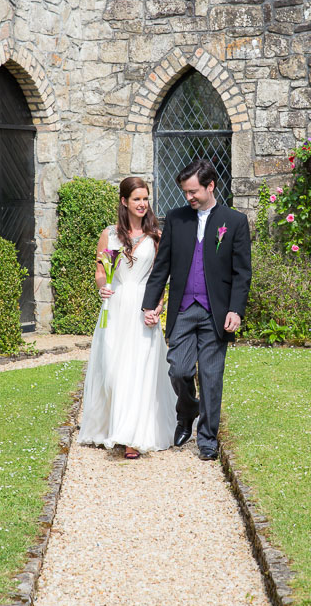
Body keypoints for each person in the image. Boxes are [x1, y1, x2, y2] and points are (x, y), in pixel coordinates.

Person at [142, 158, 252, 461]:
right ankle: (187, 409)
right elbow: (161, 265)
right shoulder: (176, 219)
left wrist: (236, 310)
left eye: (193, 192)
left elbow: (243, 273)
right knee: (178, 369)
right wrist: (150, 304)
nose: (188, 197)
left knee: (211, 377)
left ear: (210, 185)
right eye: (185, 192)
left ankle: (206, 438)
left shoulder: (235, 221)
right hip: (183, 309)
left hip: (216, 313)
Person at [77, 177, 176, 459]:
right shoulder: (109, 235)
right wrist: (103, 285)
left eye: (146, 199)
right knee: (114, 368)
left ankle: (133, 436)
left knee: (140, 369)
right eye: (137, 199)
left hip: (142, 308)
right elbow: (100, 270)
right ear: (124, 202)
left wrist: (157, 308)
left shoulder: (157, 236)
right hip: (117, 306)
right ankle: (114, 425)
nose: (143, 204)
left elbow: (160, 277)